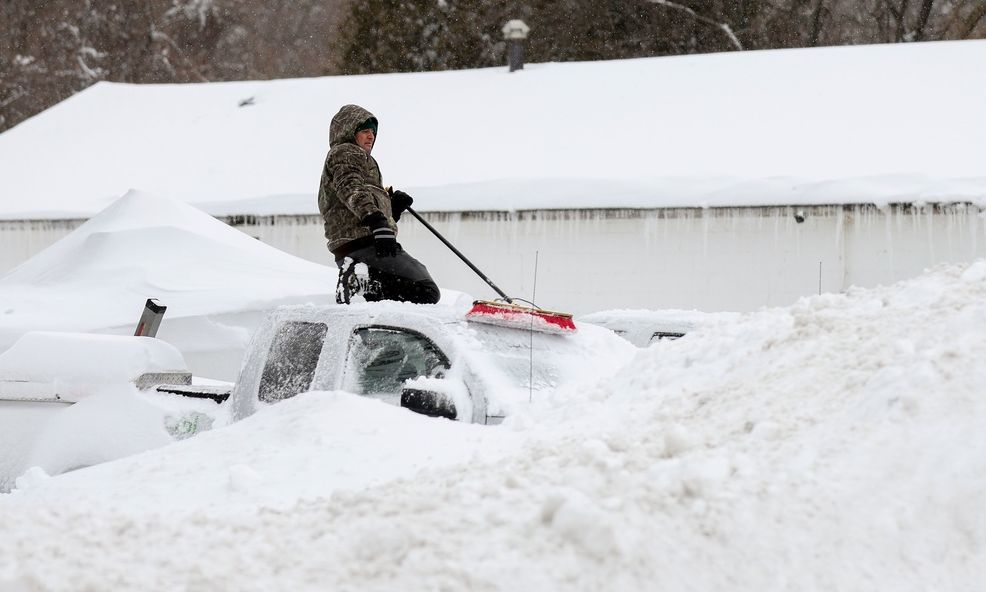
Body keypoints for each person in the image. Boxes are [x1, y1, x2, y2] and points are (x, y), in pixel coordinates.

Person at [318, 104, 441, 305]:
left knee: (400, 294)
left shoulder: (359, 158)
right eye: (365, 131)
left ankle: (363, 289)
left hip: (364, 242)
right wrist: (377, 221)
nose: (371, 136)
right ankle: (358, 280)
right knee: (425, 290)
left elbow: (354, 199)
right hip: (363, 244)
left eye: (373, 132)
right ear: (350, 131)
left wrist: (392, 210)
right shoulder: (346, 152)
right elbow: (350, 188)